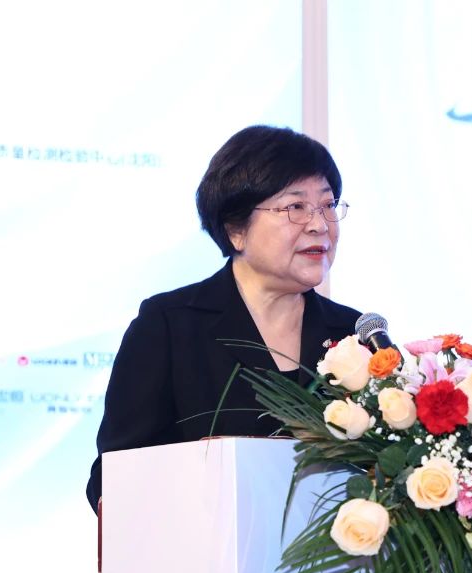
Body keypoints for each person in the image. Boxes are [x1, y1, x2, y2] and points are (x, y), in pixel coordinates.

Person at [85, 125, 362, 511]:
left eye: (328, 205)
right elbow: (115, 475)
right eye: (296, 207)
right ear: (236, 230)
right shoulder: (169, 327)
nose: (320, 224)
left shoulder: (355, 335)